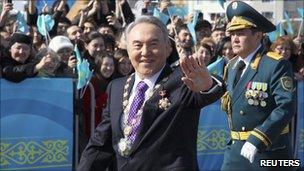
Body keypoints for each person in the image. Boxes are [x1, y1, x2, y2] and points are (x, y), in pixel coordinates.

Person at [78, 16, 225, 170]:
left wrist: (207, 85)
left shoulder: (182, 80)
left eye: (153, 44)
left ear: (168, 48)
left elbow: (212, 89)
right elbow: (101, 143)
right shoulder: (116, 87)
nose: (145, 52)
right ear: (128, 50)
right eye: (137, 45)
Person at [221, 1, 296, 170]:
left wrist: (257, 139)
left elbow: (285, 106)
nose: (235, 38)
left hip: (268, 151)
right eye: (232, 33)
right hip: (235, 151)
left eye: (241, 32)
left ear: (258, 35)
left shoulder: (275, 65)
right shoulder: (231, 66)